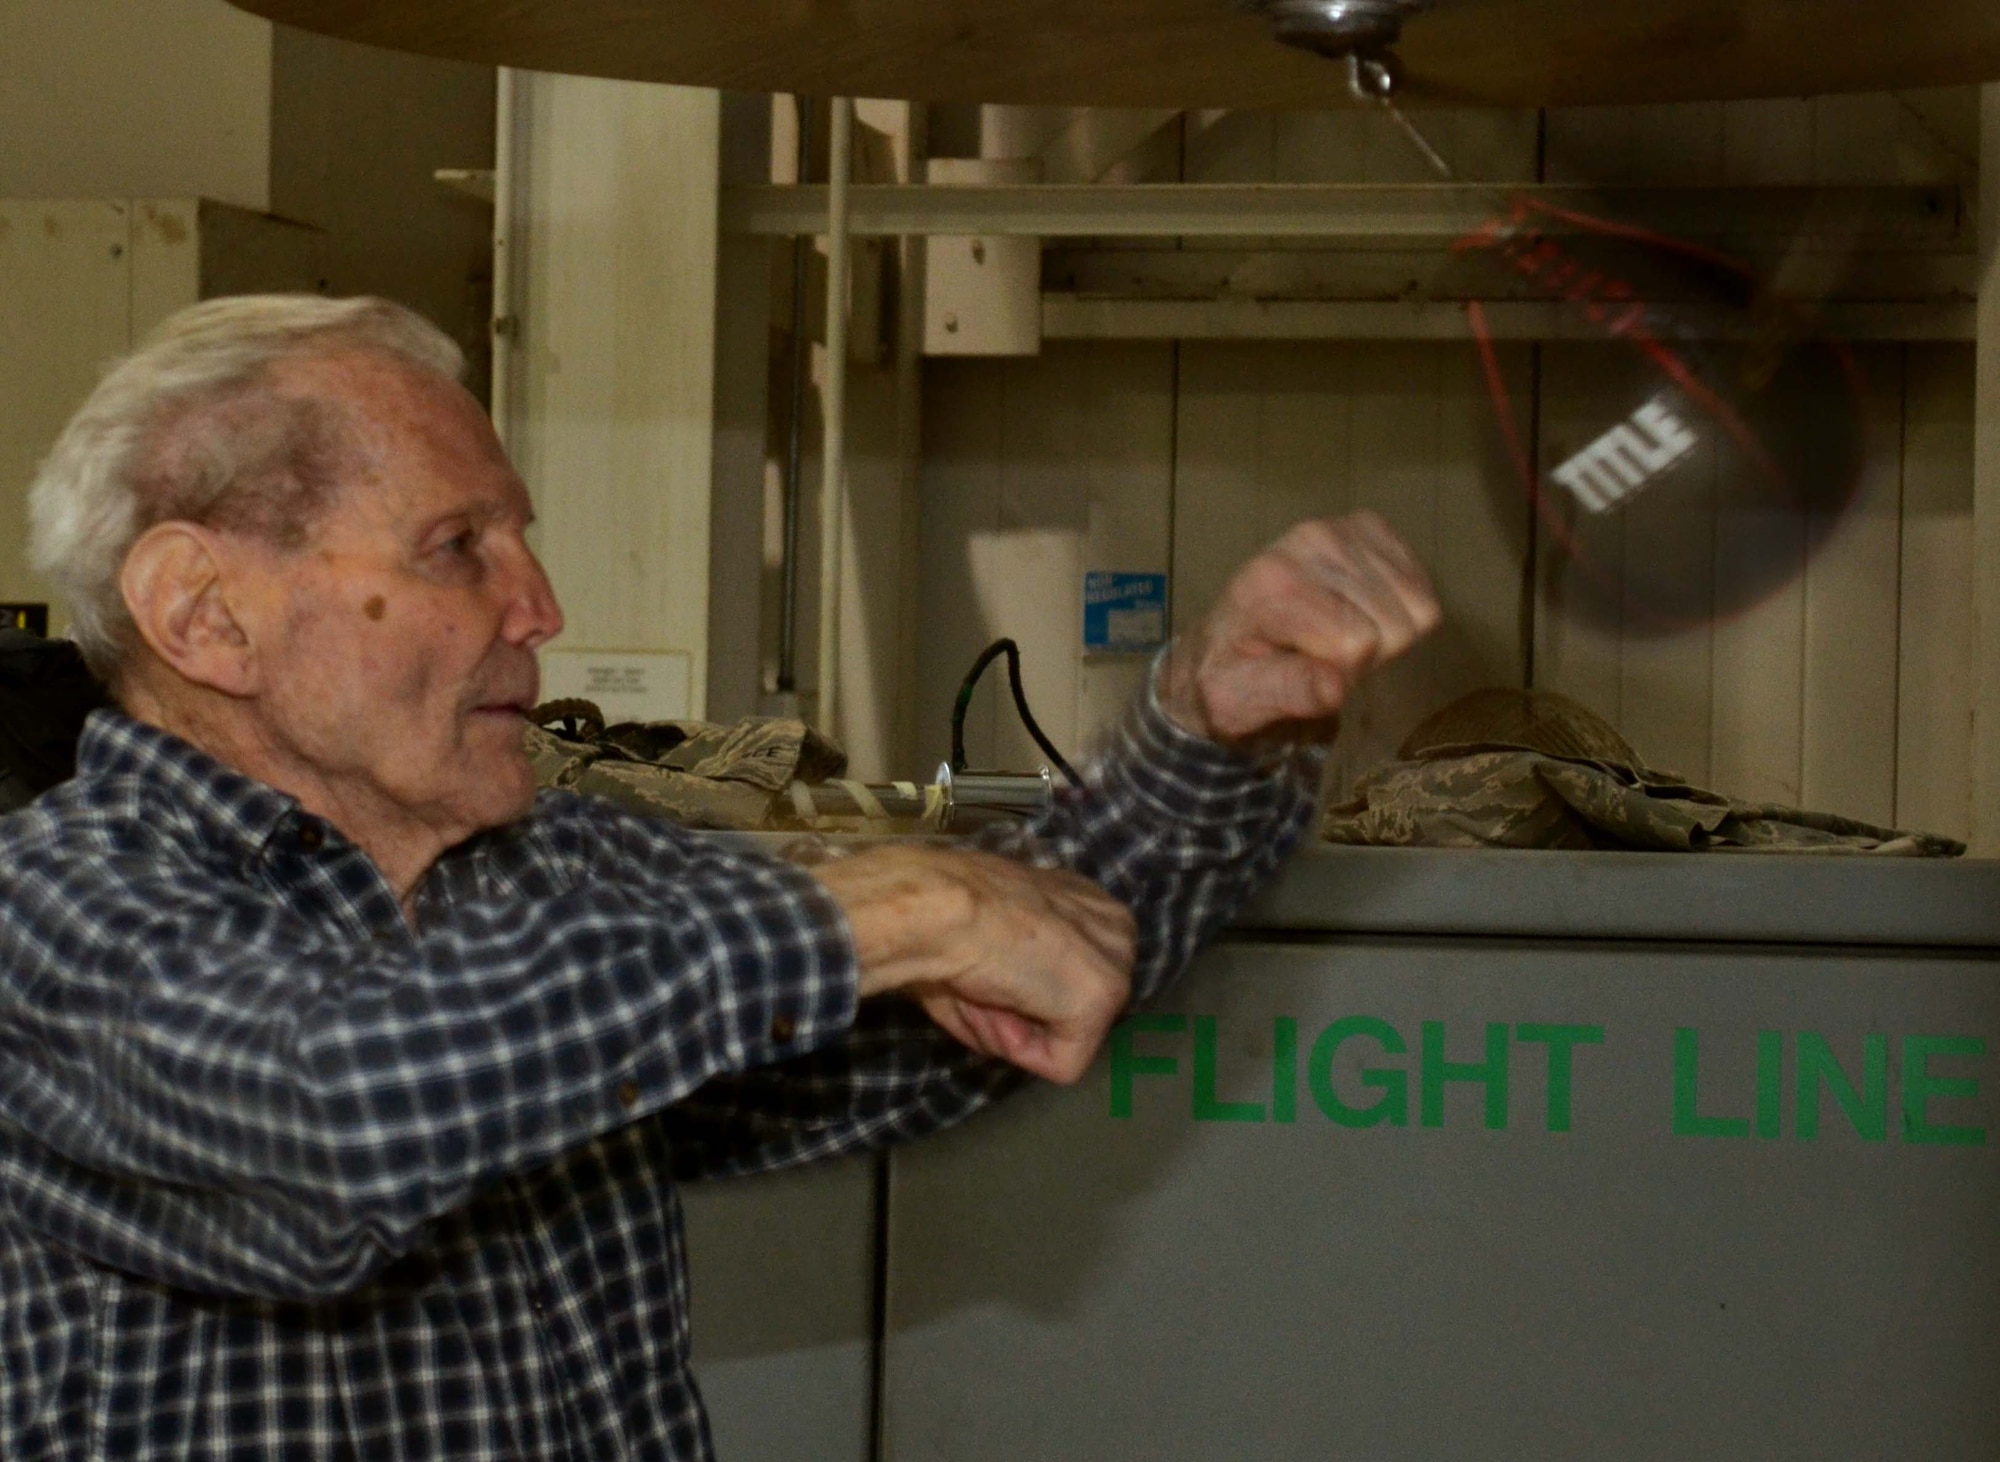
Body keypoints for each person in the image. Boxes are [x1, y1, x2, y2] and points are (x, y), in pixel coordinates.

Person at [0, 295, 1440, 1461]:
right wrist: (878, 910)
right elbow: (339, 1112)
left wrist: (1213, 723)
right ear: (204, 612)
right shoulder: (52, 915)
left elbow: (939, 1019)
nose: (541, 607)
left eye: (524, 538)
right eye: (459, 547)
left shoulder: (550, 875)